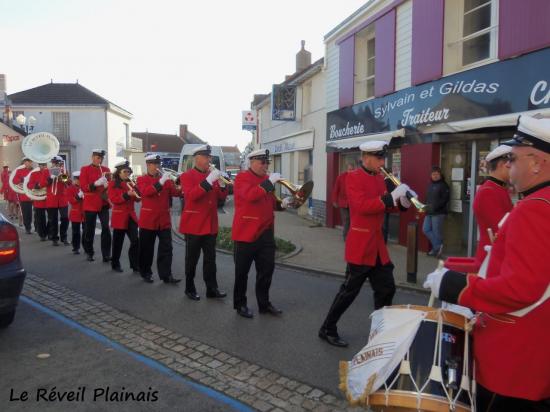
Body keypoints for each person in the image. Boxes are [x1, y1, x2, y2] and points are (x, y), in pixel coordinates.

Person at [424, 115, 550, 412]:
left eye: (513, 158)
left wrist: (456, 287)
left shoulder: (533, 209)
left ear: (536, 163)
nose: (510, 166)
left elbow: (521, 288)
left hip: (512, 358)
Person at [319, 141, 413, 347]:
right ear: (366, 158)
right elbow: (361, 207)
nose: (382, 162)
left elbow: (384, 207)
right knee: (349, 292)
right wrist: (390, 198)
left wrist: (401, 204)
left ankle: (380, 331)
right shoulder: (352, 178)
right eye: (379, 158)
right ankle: (327, 328)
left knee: (386, 288)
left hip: (377, 246)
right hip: (360, 245)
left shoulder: (380, 178)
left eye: (383, 158)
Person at [232, 149, 293, 319]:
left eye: (267, 162)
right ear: (252, 162)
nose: (266, 166)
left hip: (265, 233)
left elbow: (270, 203)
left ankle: (264, 304)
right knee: (241, 273)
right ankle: (240, 304)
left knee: (266, 271)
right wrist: (269, 183)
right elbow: (250, 196)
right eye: (262, 162)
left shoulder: (267, 180)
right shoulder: (242, 178)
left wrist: (283, 204)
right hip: (246, 233)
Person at [178, 145, 228, 301]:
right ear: (197, 158)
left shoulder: (211, 176)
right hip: (193, 225)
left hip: (210, 224)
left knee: (210, 260)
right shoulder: (187, 176)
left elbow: (220, 197)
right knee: (191, 260)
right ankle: (189, 287)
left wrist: (222, 184)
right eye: (206, 157)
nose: (209, 160)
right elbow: (191, 196)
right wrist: (208, 181)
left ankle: (211, 289)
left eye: (209, 157)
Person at [136, 154, 181, 284]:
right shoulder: (141, 179)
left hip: (164, 221)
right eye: (154, 164)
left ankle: (166, 275)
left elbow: (175, 192)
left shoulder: (165, 179)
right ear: (148, 165)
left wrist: (181, 183)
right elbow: (146, 192)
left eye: (158, 164)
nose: (157, 167)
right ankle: (146, 272)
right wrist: (161, 182)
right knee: (146, 249)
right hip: (148, 221)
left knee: (167, 249)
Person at [473, 145, 513, 265]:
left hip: (495, 253)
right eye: (511, 166)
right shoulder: (488, 192)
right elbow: (499, 228)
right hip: (490, 255)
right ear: (502, 165)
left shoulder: (498, 188)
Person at [108, 160, 140, 273]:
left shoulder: (130, 183)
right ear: (119, 172)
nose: (127, 173)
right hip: (119, 216)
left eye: (128, 171)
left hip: (131, 216)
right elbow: (114, 200)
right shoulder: (113, 184)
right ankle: (115, 263)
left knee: (136, 240)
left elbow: (137, 199)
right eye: (125, 171)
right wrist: (127, 194)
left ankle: (134, 264)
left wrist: (138, 192)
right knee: (118, 242)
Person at [79, 149, 111, 262]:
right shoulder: (85, 169)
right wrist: (96, 183)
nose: (100, 160)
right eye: (98, 158)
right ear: (92, 157)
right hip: (90, 204)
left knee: (106, 228)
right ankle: (89, 252)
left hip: (103, 203)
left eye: (101, 158)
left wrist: (108, 185)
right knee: (89, 229)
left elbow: (110, 187)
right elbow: (83, 187)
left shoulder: (106, 170)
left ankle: (106, 254)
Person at [422, 165, 449, 258]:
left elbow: (445, 200)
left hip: (438, 213)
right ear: (431, 175)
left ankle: (435, 250)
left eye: (437, 174)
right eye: (433, 174)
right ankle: (438, 247)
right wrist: (424, 206)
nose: (435, 176)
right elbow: (427, 198)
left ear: (440, 175)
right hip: (429, 212)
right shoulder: (431, 185)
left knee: (437, 232)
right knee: (425, 229)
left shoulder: (444, 185)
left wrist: (435, 207)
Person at [42, 156, 69, 247]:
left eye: (58, 163)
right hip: (52, 199)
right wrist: (50, 178)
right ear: (52, 163)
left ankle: (64, 237)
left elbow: (68, 183)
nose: (56, 165)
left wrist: (63, 176)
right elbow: (42, 184)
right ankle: (54, 238)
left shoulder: (63, 171)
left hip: (62, 199)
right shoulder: (46, 171)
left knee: (65, 218)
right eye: (54, 163)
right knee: (53, 220)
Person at [332, 163, 355, 240]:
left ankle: (351, 236)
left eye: (352, 169)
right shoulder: (341, 177)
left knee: (353, 220)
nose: (351, 171)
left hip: (353, 203)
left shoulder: (356, 177)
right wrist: (334, 201)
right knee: (346, 219)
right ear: (346, 169)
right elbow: (336, 189)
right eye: (349, 169)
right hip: (343, 202)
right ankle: (346, 236)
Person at [28, 163, 50, 240]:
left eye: (45, 165)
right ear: (39, 166)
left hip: (49, 198)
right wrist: (36, 186)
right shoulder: (34, 174)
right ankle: (42, 235)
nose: (43, 167)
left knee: (51, 217)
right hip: (39, 198)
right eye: (42, 165)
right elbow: (29, 185)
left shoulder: (50, 173)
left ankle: (49, 232)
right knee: (40, 218)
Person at [12, 157, 34, 234]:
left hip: (34, 193)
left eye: (30, 162)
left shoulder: (33, 170)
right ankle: (28, 227)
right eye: (27, 162)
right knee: (26, 212)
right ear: (24, 163)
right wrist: (21, 180)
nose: (29, 163)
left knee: (37, 212)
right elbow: (14, 180)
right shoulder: (19, 171)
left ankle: (38, 227)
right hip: (24, 195)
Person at [66, 171, 85, 254]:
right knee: (76, 231)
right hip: (75, 212)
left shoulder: (85, 187)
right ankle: (76, 247)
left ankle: (87, 247)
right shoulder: (70, 188)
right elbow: (71, 201)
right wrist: (78, 196)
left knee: (86, 231)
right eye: (78, 179)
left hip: (85, 212)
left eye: (81, 179)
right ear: (75, 180)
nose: (79, 181)